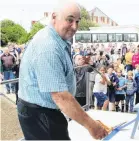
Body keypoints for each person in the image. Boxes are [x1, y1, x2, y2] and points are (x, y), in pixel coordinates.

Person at [17, 1, 108, 140]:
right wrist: (92, 126)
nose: (75, 26)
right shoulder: (48, 47)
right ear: (54, 17)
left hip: (43, 111)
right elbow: (61, 97)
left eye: (77, 21)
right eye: (70, 20)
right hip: (40, 114)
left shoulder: (56, 37)